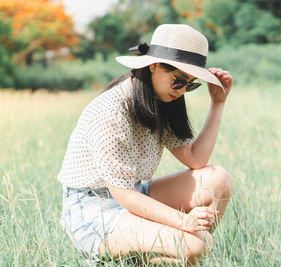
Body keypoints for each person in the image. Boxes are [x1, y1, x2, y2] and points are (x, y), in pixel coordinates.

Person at [58, 24, 233, 265]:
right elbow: (123, 195)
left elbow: (195, 159)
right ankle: (151, 255)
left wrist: (218, 103)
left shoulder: (163, 100)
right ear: (153, 65)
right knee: (196, 244)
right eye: (178, 81)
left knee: (218, 179)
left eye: (190, 84)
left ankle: (172, 251)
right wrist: (185, 222)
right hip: (95, 208)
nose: (182, 91)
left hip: (136, 193)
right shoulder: (111, 113)